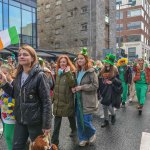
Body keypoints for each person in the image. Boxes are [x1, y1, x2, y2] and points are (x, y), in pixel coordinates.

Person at [0, 44, 52, 149]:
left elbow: (46, 101)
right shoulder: (18, 75)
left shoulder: (40, 75)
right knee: (17, 147)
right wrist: (5, 83)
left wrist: (47, 125)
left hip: (35, 121)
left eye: (25, 54)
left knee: (38, 147)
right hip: (20, 119)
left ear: (32, 58)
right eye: (19, 55)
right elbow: (15, 94)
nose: (21, 56)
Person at [72, 48, 98, 147]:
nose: (79, 60)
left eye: (81, 58)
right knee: (79, 121)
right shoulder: (78, 71)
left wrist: (82, 87)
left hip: (87, 100)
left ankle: (92, 132)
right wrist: (74, 89)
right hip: (78, 99)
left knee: (86, 120)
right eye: (78, 59)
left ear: (86, 59)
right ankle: (83, 138)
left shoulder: (91, 71)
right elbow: (77, 84)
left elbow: (95, 85)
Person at [51, 55, 77, 148]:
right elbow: (55, 88)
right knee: (57, 123)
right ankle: (54, 142)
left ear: (67, 63)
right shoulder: (58, 73)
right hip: (58, 101)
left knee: (71, 117)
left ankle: (74, 130)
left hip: (67, 101)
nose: (62, 63)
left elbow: (73, 84)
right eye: (61, 62)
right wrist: (52, 99)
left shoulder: (71, 72)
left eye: (64, 62)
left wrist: (68, 73)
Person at [99, 54, 122, 128]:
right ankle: (106, 120)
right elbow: (99, 79)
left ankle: (113, 115)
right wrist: (102, 82)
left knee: (108, 105)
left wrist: (112, 81)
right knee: (104, 106)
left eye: (107, 62)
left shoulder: (115, 70)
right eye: (105, 61)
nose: (106, 63)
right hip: (103, 90)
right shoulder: (102, 69)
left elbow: (119, 82)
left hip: (111, 91)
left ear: (111, 63)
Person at [0, 64, 15, 150]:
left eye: (5, 73)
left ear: (11, 73)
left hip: (12, 116)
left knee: (10, 137)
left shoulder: (14, 83)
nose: (3, 76)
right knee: (8, 138)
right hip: (4, 115)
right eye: (1, 73)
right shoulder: (1, 83)